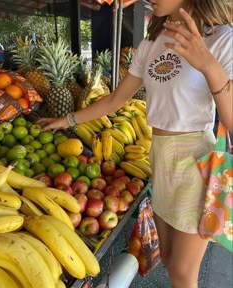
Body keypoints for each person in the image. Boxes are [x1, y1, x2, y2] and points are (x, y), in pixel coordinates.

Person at [38, 1, 233, 287]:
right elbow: (117, 99)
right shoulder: (152, 42)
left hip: (195, 160)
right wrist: (67, 120)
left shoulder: (221, 37)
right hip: (159, 156)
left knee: (182, 272)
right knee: (167, 258)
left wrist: (208, 65)